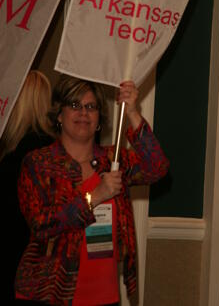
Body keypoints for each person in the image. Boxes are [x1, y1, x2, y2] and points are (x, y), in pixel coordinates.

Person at [14, 75, 169, 305]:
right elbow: (40, 224)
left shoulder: (113, 161)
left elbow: (157, 167)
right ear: (59, 114)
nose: (83, 113)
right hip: (47, 295)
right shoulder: (38, 163)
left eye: (91, 107)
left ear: (99, 121)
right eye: (75, 105)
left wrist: (133, 112)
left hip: (104, 296)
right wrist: (95, 197)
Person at [0, 70, 55, 306]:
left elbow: (2, 220)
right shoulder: (55, 151)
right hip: (47, 270)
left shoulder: (14, 158)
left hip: (15, 267)